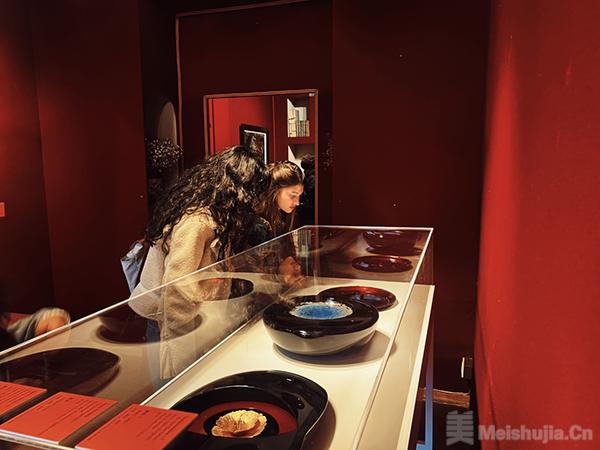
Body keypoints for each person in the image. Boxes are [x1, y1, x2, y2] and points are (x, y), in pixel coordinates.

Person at [128, 145, 268, 377]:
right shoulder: (197, 222)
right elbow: (176, 290)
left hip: (194, 315)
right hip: (171, 321)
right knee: (173, 387)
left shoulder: (217, 215)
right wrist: (180, 355)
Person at [256, 160, 304, 238]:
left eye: (299, 195)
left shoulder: (283, 217)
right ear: (275, 191)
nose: (297, 202)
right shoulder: (257, 224)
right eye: (292, 195)